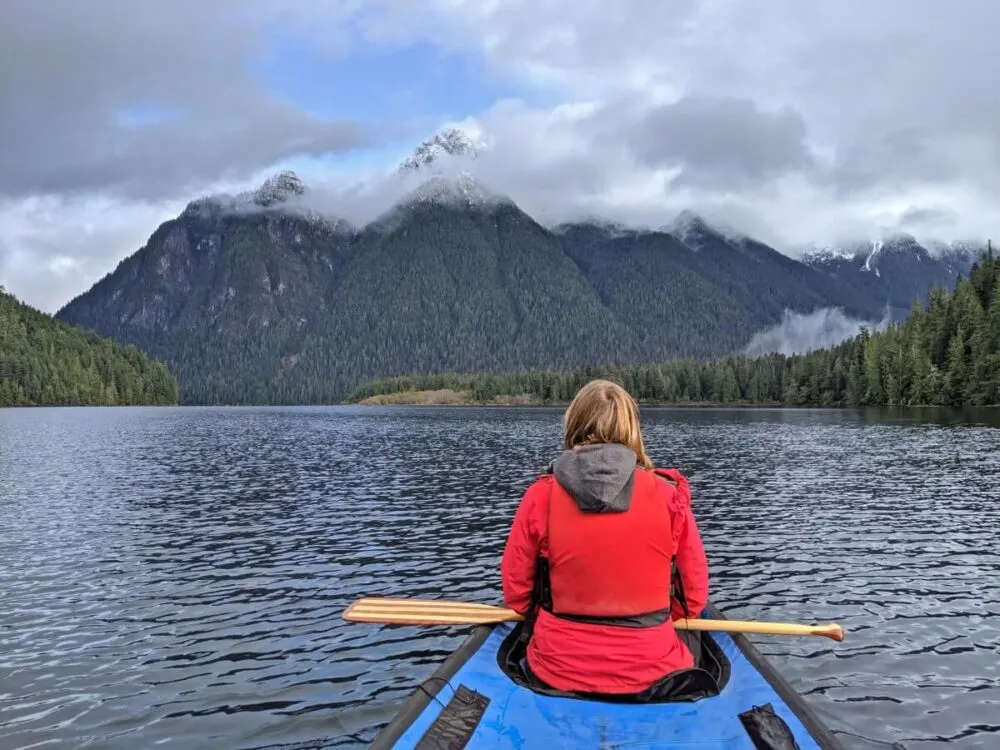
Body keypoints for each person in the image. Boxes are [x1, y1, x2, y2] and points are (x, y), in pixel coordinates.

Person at [500, 378, 709, 695]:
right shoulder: (670, 497)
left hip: (555, 670)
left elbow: (517, 597)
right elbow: (691, 601)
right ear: (631, 430)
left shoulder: (539, 496)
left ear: (574, 426)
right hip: (654, 673)